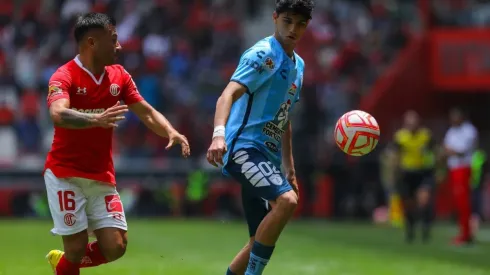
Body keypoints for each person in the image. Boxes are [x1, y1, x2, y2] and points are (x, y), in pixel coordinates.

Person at [44, 13, 190, 275]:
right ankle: (69, 262)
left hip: (101, 175)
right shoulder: (64, 75)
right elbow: (57, 113)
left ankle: (63, 263)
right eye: (113, 40)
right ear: (92, 42)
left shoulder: (119, 75)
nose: (119, 46)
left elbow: (145, 111)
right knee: (76, 248)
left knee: (116, 246)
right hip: (65, 174)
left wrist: (170, 131)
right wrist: (94, 119)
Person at [206, 1, 314, 274]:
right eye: (287, 21)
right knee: (287, 202)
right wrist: (219, 136)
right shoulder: (264, 54)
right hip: (244, 150)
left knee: (258, 238)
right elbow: (227, 95)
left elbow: (284, 117)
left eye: (300, 24)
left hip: (265, 157)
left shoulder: (298, 66)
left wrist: (289, 169)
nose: (293, 29)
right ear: (275, 18)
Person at [393, 110, 435, 243]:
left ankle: (426, 228)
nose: (411, 124)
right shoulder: (400, 136)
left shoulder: (426, 135)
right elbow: (396, 155)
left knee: (424, 201)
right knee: (409, 205)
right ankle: (410, 230)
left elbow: (435, 152)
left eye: (414, 120)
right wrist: (395, 173)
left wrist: (439, 169)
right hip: (407, 173)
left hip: (423, 172)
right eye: (409, 121)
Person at [443, 108, 477, 245]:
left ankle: (466, 233)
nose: (453, 120)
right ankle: (463, 231)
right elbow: (446, 148)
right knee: (457, 202)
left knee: (464, 203)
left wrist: (450, 151)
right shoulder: (451, 131)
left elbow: (461, 152)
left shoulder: (469, 131)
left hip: (463, 168)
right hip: (453, 168)